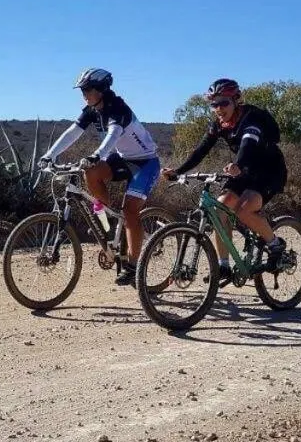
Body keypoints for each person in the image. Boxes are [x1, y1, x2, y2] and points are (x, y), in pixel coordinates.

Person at [39, 68, 161, 286]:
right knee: (91, 173)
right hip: (123, 158)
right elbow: (72, 132)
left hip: (145, 162)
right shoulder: (92, 110)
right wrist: (49, 155)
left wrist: (97, 155)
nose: (84, 94)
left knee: (130, 210)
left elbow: (113, 136)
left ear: (102, 89)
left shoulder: (117, 108)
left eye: (87, 90)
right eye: (82, 91)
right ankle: (107, 221)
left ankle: (133, 266)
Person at [163, 78, 287, 284]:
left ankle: (275, 244)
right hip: (244, 171)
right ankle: (224, 266)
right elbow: (201, 150)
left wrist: (237, 164)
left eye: (223, 103)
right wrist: (178, 171)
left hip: (269, 171)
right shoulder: (218, 125)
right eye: (214, 105)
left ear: (235, 101)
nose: (219, 109)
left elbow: (247, 144)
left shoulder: (250, 118)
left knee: (243, 210)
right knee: (219, 209)